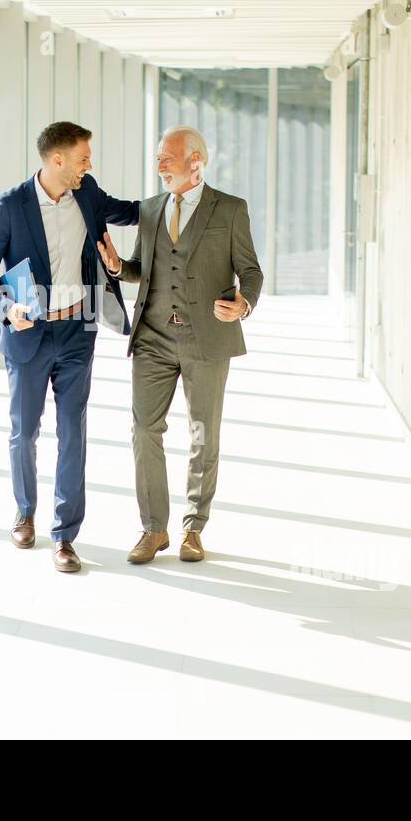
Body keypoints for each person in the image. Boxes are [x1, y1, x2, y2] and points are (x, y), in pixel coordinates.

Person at [0, 121, 140, 572]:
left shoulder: (86, 193)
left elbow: (131, 211)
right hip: (28, 332)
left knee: (73, 432)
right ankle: (25, 511)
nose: (90, 165)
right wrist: (6, 306)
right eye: (84, 157)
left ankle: (64, 535)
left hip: (77, 331)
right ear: (57, 160)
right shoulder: (11, 205)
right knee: (24, 431)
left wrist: (181, 194)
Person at [96, 125, 263, 564]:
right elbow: (142, 268)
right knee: (144, 430)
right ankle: (153, 528)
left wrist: (243, 303)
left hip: (206, 338)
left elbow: (251, 271)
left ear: (195, 162)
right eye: (157, 158)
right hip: (151, 336)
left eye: (166, 158)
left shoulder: (229, 210)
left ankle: (193, 527)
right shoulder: (150, 211)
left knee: (202, 434)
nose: (159, 166)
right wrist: (118, 267)